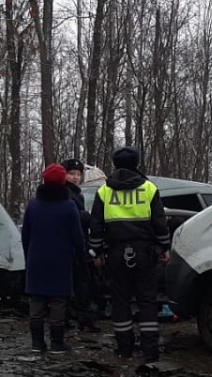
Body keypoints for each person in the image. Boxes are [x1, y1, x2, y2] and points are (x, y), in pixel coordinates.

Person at [89, 147, 170, 362]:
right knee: (147, 301)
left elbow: (96, 225)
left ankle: (125, 348)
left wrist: (95, 251)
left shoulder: (104, 191)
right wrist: (164, 247)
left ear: (115, 164)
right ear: (137, 163)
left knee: (120, 300)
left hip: (115, 253)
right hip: (145, 252)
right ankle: (150, 350)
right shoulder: (149, 188)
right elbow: (160, 221)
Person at [22, 163, 86, 353]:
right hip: (61, 259)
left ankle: (36, 342)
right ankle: (57, 343)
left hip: (36, 259)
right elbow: (77, 236)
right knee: (58, 300)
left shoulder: (33, 205)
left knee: (37, 299)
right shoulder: (68, 206)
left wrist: (29, 255)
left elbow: (25, 234)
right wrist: (80, 257)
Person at [61, 158, 96, 331]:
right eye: (71, 174)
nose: (75, 177)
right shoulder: (65, 194)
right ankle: (81, 320)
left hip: (77, 243)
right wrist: (86, 218)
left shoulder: (76, 193)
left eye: (78, 174)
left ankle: (70, 318)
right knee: (80, 284)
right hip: (73, 245)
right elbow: (73, 218)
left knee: (77, 283)